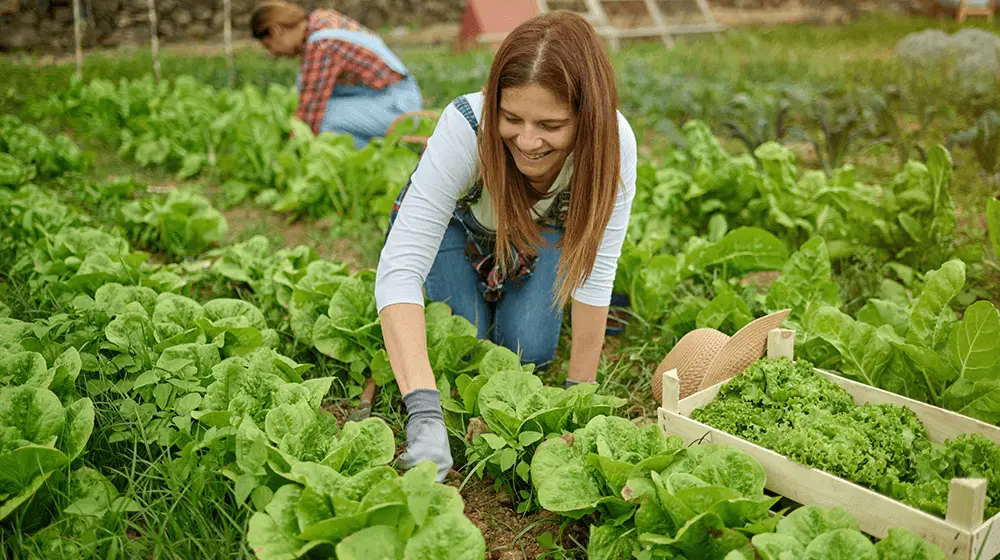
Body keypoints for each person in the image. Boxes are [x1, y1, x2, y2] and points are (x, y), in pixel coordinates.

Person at [374, 10, 638, 482]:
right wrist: (424, 412)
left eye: (551, 126)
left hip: (541, 234)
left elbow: (596, 271)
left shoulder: (613, 145)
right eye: (512, 118)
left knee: (528, 353)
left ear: (587, 118)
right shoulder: (466, 126)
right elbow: (401, 268)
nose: (528, 140)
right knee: (464, 346)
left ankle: (506, 291)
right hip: (460, 228)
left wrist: (582, 397)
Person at [249, 1, 423, 148]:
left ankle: (385, 151)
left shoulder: (321, 43)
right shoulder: (320, 19)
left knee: (322, 121)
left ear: (276, 31)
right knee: (310, 97)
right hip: (393, 98)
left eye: (269, 46)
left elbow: (310, 115)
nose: (274, 54)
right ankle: (383, 147)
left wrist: (289, 148)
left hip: (397, 109)